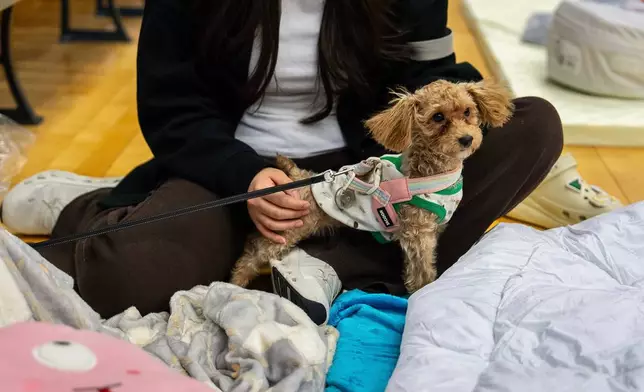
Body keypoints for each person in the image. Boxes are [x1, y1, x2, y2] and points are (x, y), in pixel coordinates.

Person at [2, 0, 563, 321]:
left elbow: (428, 79)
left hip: (367, 171)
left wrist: (466, 109)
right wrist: (244, 177)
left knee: (534, 125)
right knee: (121, 282)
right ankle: (94, 200)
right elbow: (173, 109)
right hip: (240, 164)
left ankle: (325, 265)